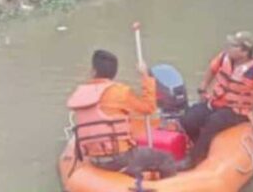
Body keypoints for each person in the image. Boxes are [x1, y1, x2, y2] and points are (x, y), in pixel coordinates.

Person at [180, 31, 253, 167]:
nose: (228, 48)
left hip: (237, 111)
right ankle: (200, 145)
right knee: (189, 119)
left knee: (213, 122)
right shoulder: (224, 58)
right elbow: (211, 69)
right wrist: (203, 88)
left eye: (233, 46)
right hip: (216, 102)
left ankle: (194, 159)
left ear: (244, 52)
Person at [66, 50, 177, 178]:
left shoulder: (81, 93)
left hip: (93, 158)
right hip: (119, 159)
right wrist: (145, 76)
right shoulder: (120, 92)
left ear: (93, 71)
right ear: (114, 73)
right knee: (166, 159)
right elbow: (149, 108)